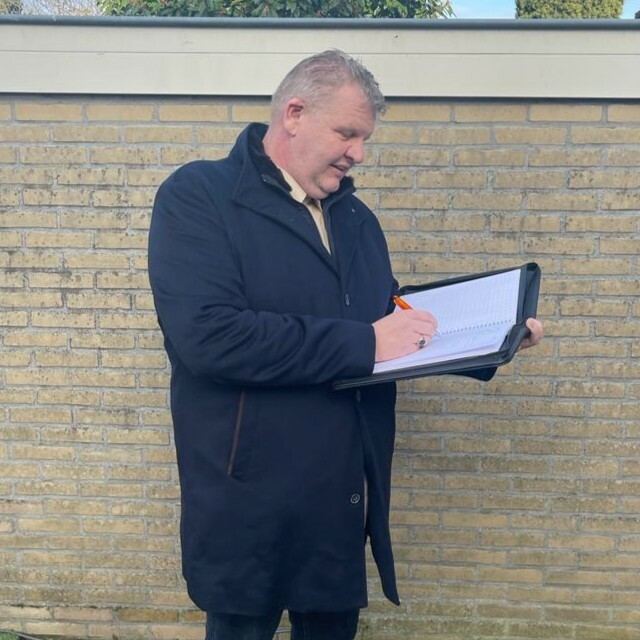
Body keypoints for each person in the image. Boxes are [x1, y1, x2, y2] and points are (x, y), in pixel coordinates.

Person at [148, 49, 543, 640]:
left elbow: (386, 321)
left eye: (365, 139)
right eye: (348, 133)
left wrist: (492, 340)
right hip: (247, 493)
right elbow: (208, 335)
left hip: (339, 493)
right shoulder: (200, 195)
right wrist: (368, 340)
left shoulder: (357, 218)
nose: (358, 153)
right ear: (295, 114)